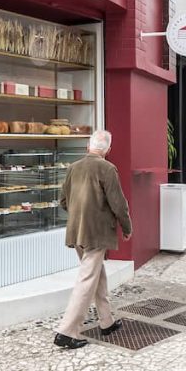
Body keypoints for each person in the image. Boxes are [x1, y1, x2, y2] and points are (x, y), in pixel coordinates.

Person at [54, 130, 132, 349]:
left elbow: (63, 201)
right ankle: (67, 331)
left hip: (76, 231)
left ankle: (106, 321)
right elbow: (118, 203)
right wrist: (126, 226)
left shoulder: (73, 167)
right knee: (87, 278)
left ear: (88, 146)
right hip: (96, 232)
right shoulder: (107, 168)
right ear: (108, 149)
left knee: (97, 274)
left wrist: (79, 214)